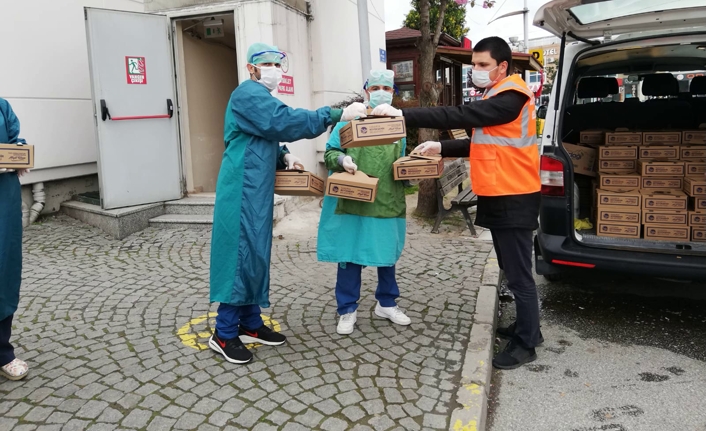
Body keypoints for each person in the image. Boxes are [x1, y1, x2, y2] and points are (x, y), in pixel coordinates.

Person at [372, 37, 542, 370]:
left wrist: (404, 115)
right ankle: (528, 328)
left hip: (514, 194)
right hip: (499, 191)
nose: (476, 70)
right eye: (473, 64)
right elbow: (482, 143)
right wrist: (441, 148)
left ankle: (527, 343)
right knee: (511, 267)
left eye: (482, 65)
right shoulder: (497, 94)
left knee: (519, 274)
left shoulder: (512, 96)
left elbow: (461, 113)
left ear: (502, 66)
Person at [209, 43, 366, 364]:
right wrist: (336, 114)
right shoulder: (248, 94)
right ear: (251, 68)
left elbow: (262, 132)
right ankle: (223, 332)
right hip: (241, 188)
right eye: (267, 64)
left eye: (277, 64)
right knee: (239, 255)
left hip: (256, 188)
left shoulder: (258, 96)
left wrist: (283, 155)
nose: (274, 70)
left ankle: (249, 322)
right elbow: (282, 121)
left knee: (255, 253)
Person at [317, 69, 411, 335]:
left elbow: (401, 162)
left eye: (387, 88)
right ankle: (347, 308)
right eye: (375, 87)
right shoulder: (350, 119)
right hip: (353, 198)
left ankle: (387, 303)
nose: (381, 92)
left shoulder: (397, 125)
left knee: (386, 254)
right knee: (349, 254)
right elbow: (330, 152)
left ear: (393, 93)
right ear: (366, 90)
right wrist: (342, 160)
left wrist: (412, 172)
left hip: (386, 198)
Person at [0, 98, 30, 381]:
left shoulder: (1, 106)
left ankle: (3, 353)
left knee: (4, 271)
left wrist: (19, 153)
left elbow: (14, 140)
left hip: (3, 200)